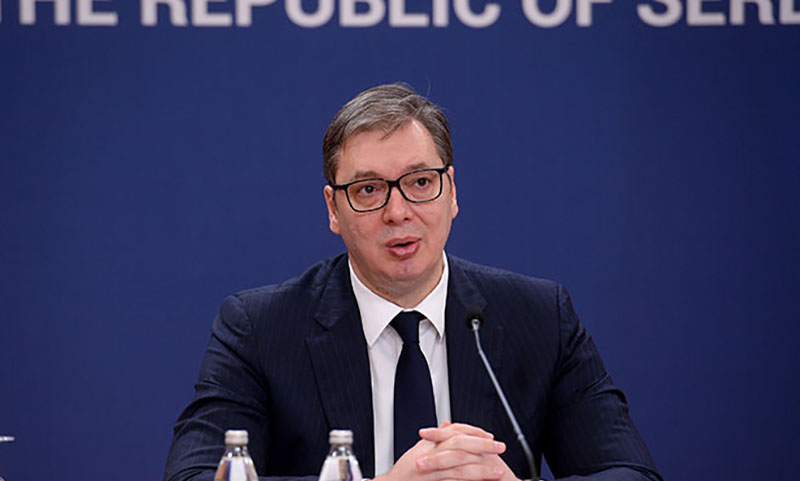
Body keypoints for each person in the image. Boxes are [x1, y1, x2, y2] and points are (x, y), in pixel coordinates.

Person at [164, 83, 661, 481]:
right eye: (368, 189)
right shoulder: (260, 329)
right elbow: (194, 475)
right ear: (333, 209)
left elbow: (630, 472)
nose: (398, 212)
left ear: (452, 193)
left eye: (420, 182)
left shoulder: (539, 317)